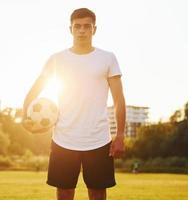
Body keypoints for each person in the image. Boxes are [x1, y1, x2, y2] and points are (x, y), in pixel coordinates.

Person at [23, 8, 126, 200]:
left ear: (94, 29)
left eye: (87, 26)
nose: (82, 30)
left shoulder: (108, 58)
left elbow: (119, 99)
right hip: (64, 139)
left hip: (99, 140)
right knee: (64, 193)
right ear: (70, 29)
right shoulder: (56, 59)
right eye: (77, 26)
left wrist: (120, 134)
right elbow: (34, 90)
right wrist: (24, 117)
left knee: (97, 194)